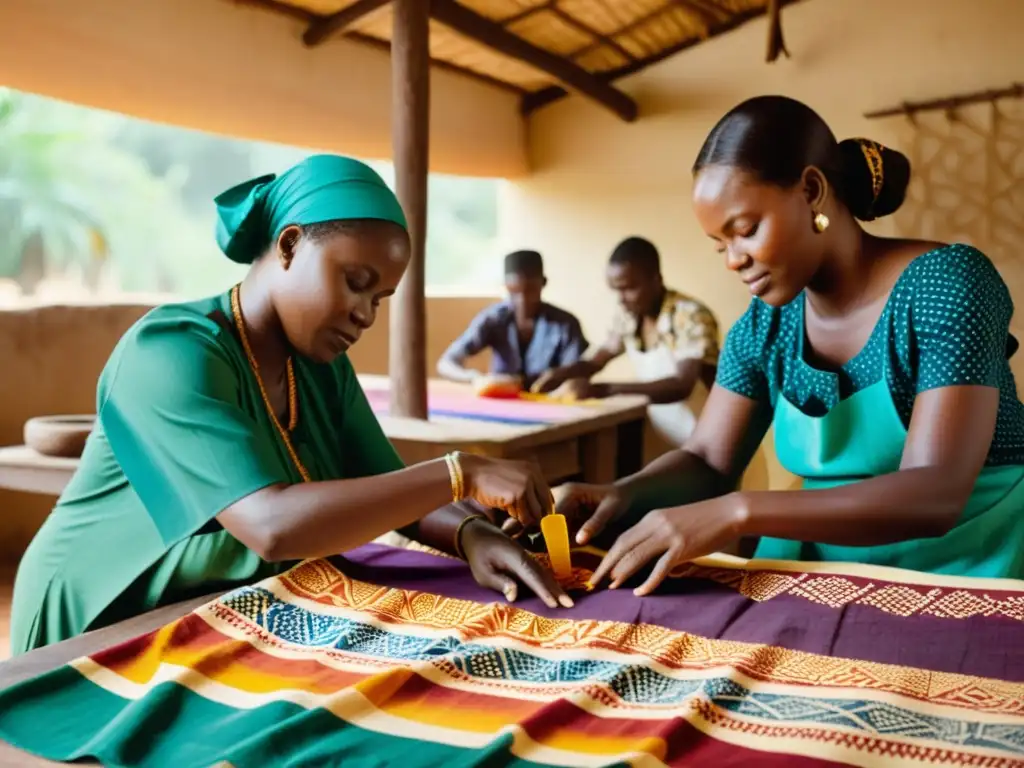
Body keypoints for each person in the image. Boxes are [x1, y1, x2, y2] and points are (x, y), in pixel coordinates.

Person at [10, 155, 572, 656]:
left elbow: (390, 485)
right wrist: (462, 471)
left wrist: (470, 534)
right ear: (288, 245)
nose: (365, 315)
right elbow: (271, 525)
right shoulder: (172, 353)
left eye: (379, 299)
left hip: (209, 610)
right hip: (98, 621)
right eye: (355, 282)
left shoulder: (321, 369)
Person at [554, 95, 1024, 594]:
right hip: (828, 571)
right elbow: (709, 460)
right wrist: (619, 494)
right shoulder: (765, 326)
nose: (733, 260)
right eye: (720, 245)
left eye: (746, 230)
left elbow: (935, 493)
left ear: (812, 191)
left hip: (977, 564)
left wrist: (738, 511)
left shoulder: (947, 284)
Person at [532, 237, 719, 446]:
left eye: (629, 288)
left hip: (709, 438)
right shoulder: (629, 316)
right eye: (616, 290)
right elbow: (596, 361)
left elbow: (681, 386)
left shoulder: (690, 315)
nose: (621, 299)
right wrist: (561, 374)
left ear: (656, 279)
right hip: (666, 437)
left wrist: (601, 390)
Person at [436, 250, 588, 391]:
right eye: (513, 291)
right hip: (501, 403)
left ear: (543, 283)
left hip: (552, 402)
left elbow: (577, 374)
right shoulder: (494, 318)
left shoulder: (565, 324)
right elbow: (446, 363)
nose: (522, 300)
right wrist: (476, 378)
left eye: (530, 290)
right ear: (505, 286)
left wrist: (532, 382)